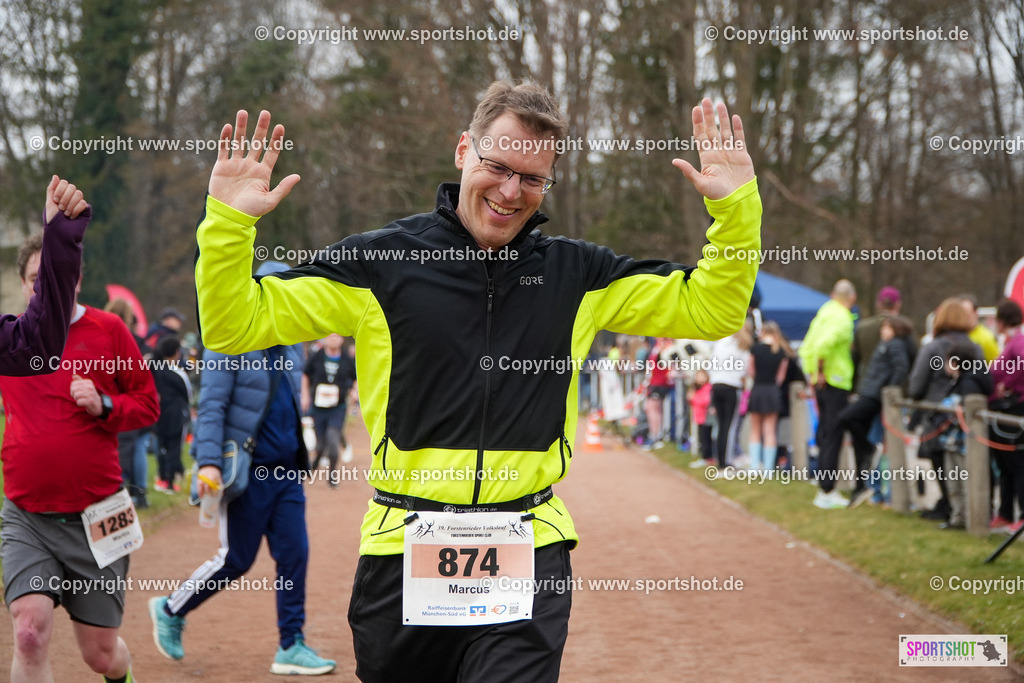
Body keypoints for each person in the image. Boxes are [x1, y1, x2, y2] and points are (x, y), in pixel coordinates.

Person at [193, 83, 761, 681]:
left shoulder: (579, 276)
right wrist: (229, 223)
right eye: (498, 167)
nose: (512, 192)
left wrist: (736, 210)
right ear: (464, 150)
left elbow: (711, 311)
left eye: (533, 178)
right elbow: (234, 324)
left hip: (527, 545)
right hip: (403, 547)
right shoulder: (381, 264)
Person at [149, 261, 335, 676]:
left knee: (295, 555)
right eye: (278, 293)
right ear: (257, 294)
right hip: (248, 473)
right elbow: (211, 408)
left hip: (287, 473)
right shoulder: (226, 338)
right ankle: (170, 607)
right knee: (237, 559)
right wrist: (209, 463)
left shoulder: (291, 343)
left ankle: (291, 644)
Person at [0, 224, 160, 682]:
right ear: (24, 283)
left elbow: (149, 404)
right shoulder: (13, 341)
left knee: (102, 655)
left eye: (53, 273)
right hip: (27, 515)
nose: (45, 284)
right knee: (29, 631)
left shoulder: (109, 331)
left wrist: (104, 404)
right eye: (36, 276)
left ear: (75, 276)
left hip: (99, 516)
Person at [0, 176, 87, 377]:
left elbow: (35, 345)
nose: (36, 287)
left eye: (40, 278)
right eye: (33, 279)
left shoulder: (111, 329)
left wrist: (104, 403)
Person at [908, 298, 983, 522]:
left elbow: (916, 385)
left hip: (938, 416)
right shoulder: (975, 347)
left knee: (943, 466)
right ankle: (964, 510)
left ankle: (950, 508)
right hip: (967, 415)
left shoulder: (933, 347)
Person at [839, 315, 914, 508]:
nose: (882, 330)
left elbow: (901, 368)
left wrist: (889, 391)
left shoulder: (895, 345)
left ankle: (868, 451)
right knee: (857, 436)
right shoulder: (886, 344)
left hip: (874, 394)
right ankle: (862, 483)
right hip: (869, 391)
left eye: (886, 327)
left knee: (846, 418)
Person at [799, 279, 857, 509]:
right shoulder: (842, 317)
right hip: (836, 380)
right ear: (851, 298)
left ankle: (822, 483)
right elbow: (822, 345)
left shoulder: (824, 311)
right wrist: (821, 371)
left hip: (820, 381)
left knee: (824, 431)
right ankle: (827, 488)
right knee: (834, 433)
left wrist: (813, 374)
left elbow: (807, 347)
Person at [935, 341, 992, 529]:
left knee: (965, 481)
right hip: (952, 440)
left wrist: (944, 413)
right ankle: (957, 518)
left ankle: (971, 520)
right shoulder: (960, 380)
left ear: (955, 362)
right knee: (953, 481)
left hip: (963, 441)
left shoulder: (968, 382)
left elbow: (964, 409)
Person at [105, 298, 155, 509]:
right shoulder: (136, 341)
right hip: (135, 398)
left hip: (110, 400)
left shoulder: (104, 336)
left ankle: (116, 491)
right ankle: (140, 493)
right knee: (139, 446)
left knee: (114, 447)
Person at [988, 298, 1024, 532]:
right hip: (1006, 409)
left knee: (1018, 463)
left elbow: (1021, 364)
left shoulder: (1018, 341)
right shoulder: (1011, 340)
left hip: (1015, 408)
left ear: (1001, 321)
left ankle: (1021, 515)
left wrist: (1008, 385)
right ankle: (1005, 512)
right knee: (1006, 463)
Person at [302, 333, 357, 483]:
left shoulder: (347, 359)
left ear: (341, 340)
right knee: (319, 445)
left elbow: (355, 378)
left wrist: (354, 391)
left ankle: (332, 476)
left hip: (338, 407)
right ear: (324, 338)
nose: (333, 339)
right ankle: (314, 463)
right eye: (330, 336)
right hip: (318, 408)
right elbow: (305, 375)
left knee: (333, 438)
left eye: (337, 336)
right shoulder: (317, 356)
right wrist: (305, 396)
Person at [746, 320, 791, 471]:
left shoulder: (755, 349)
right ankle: (768, 469)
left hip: (758, 389)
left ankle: (754, 467)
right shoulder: (781, 351)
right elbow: (780, 377)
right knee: (770, 430)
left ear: (763, 332)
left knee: (755, 430)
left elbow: (750, 371)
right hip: (772, 391)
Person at [151, 336, 192, 494]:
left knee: (161, 446)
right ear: (177, 352)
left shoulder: (155, 369)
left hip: (159, 414)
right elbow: (189, 394)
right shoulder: (177, 372)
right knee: (175, 447)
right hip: (177, 416)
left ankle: (162, 478)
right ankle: (170, 481)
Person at [708, 327, 752, 468]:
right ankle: (726, 462)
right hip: (732, 386)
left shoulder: (720, 343)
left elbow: (710, 364)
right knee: (730, 426)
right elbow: (746, 369)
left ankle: (720, 459)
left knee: (721, 425)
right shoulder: (741, 345)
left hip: (716, 385)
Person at [851, 286, 902, 389]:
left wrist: (852, 387)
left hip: (866, 386)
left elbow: (854, 361)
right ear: (898, 304)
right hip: (894, 389)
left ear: (878, 304)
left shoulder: (862, 327)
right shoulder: (904, 329)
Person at [642, 337, 676, 449]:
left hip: (660, 382)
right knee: (655, 409)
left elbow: (669, 363)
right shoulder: (657, 344)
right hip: (655, 381)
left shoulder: (666, 345)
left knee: (651, 407)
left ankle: (655, 436)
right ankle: (656, 435)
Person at [960, 294, 999, 362]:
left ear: (976, 313)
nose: (964, 319)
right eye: (961, 315)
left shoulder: (986, 338)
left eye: (967, 315)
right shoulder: (953, 335)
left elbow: (996, 365)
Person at [689, 368, 714, 467]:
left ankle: (708, 457)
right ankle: (705, 456)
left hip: (706, 418)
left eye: (702, 376)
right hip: (699, 418)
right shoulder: (695, 389)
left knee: (706, 438)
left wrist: (694, 398)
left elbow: (705, 401)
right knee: (702, 438)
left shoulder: (708, 388)